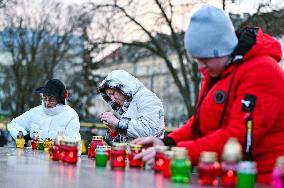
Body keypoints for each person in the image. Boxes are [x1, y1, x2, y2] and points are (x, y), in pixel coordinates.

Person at [131, 4, 284, 185]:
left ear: (222, 50)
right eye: (196, 59)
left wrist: (176, 153)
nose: (200, 67)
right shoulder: (219, 71)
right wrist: (167, 143)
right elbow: (199, 123)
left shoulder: (261, 71)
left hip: (261, 178)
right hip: (226, 175)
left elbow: (237, 137)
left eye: (204, 59)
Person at [98, 70, 165, 145]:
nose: (113, 99)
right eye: (110, 96)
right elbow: (126, 143)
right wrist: (114, 130)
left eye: (113, 93)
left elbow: (149, 132)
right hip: (136, 155)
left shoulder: (147, 98)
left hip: (147, 155)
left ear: (123, 88)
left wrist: (117, 123)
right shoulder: (129, 105)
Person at [8, 79, 81, 144]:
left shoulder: (71, 115)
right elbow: (14, 124)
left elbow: (74, 143)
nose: (47, 103)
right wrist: (25, 139)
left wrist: (56, 145)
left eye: (51, 99)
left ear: (60, 100)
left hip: (57, 158)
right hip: (33, 158)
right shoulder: (35, 112)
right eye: (45, 98)